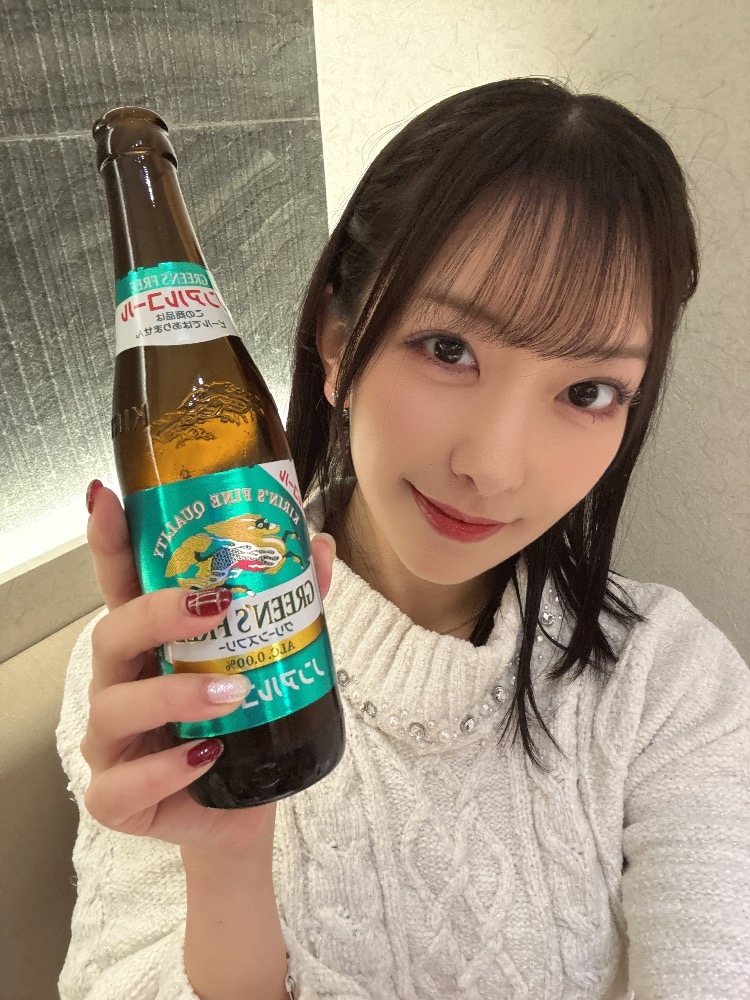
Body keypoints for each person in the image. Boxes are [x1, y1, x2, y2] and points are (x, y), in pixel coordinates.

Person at [57, 77, 750, 1000]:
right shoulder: (162, 674)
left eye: (588, 392)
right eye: (449, 348)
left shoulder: (669, 682)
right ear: (337, 340)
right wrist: (224, 865)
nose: (493, 468)